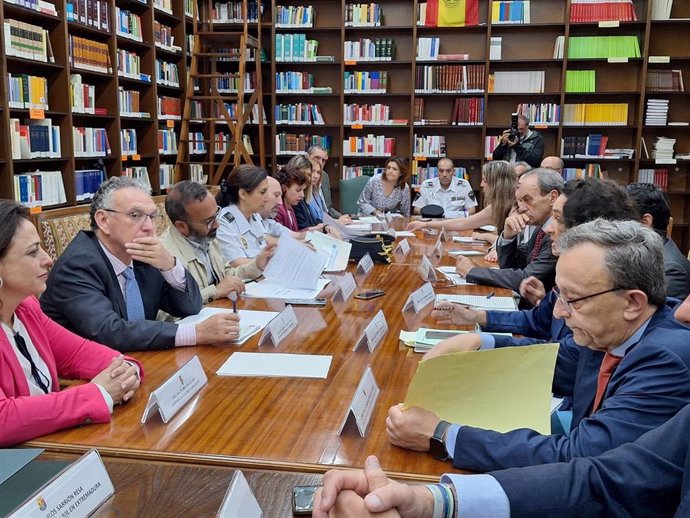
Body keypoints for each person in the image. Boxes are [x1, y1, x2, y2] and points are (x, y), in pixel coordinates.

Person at [386, 219, 690, 473]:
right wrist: (478, 341)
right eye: (560, 295)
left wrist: (443, 435)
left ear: (632, 303)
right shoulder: (612, 331)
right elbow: (552, 361)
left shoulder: (665, 359)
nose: (559, 312)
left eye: (573, 300)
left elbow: (581, 456)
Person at [0, 200, 143, 446]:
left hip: (50, 446)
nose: (47, 260)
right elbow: (4, 419)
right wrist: (96, 393)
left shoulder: (26, 308)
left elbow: (80, 353)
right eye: (33, 252)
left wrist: (127, 371)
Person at [41, 177, 239, 351]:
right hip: (88, 378)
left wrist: (170, 265)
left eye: (152, 216)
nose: (149, 227)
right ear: (103, 220)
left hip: (140, 361)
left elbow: (190, 306)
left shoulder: (142, 254)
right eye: (135, 215)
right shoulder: (78, 265)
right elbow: (110, 332)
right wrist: (196, 333)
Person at [160, 181, 274, 304]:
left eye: (216, 215)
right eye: (209, 221)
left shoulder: (206, 237)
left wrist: (257, 266)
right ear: (182, 226)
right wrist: (215, 292)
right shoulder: (165, 257)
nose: (217, 225)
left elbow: (226, 275)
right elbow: (168, 311)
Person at [455, 168, 562, 294]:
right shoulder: (539, 227)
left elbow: (527, 278)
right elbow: (512, 267)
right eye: (519, 200)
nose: (521, 209)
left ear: (552, 197)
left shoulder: (558, 232)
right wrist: (508, 237)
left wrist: (472, 271)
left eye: (527, 200)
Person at [407, 161, 515, 233]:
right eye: (441, 171)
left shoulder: (505, 208)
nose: (481, 185)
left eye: (485, 181)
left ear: (498, 184)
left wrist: (425, 225)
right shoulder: (500, 205)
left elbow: (463, 223)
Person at [626, 182, 690, 299]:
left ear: (646, 222)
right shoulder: (644, 253)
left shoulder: (671, 269)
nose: (615, 225)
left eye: (622, 218)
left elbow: (663, 316)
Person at [216, 164, 271, 265]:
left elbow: (265, 244)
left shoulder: (255, 216)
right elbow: (236, 263)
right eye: (262, 192)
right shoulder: (223, 223)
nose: (267, 199)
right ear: (243, 194)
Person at [412, 158, 477, 218]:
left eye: (448, 171)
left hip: (456, 223)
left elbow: (472, 210)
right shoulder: (426, 185)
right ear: (437, 171)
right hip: (432, 223)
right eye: (441, 171)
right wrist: (431, 214)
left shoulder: (464, 185)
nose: (444, 175)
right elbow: (416, 209)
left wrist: (456, 215)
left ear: (454, 172)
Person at [307, 144, 344, 219]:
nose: (320, 163)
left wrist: (341, 217)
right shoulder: (303, 178)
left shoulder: (324, 176)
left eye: (323, 160)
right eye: (316, 158)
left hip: (327, 221)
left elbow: (328, 208)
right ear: (307, 157)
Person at [274, 164, 310, 232]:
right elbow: (283, 238)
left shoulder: (290, 207)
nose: (302, 195)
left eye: (303, 190)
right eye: (298, 190)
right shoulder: (278, 210)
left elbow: (294, 234)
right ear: (284, 188)